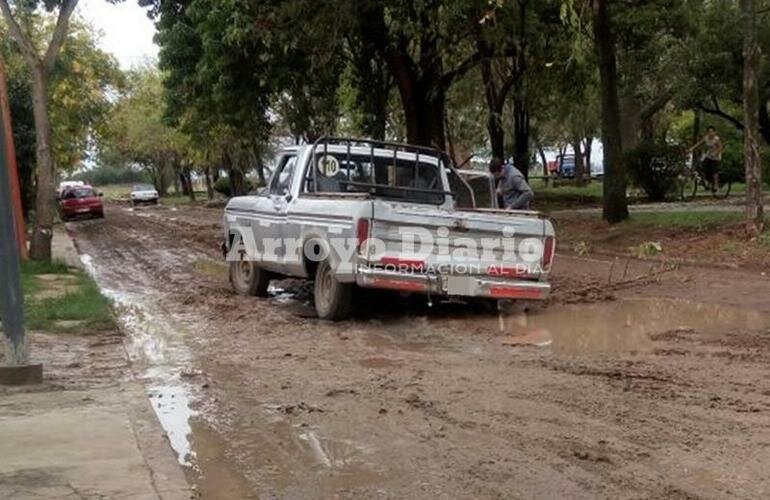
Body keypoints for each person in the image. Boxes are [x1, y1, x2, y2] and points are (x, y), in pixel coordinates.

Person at [689, 126, 724, 192]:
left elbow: (720, 147)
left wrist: (716, 153)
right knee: (702, 167)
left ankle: (716, 185)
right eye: (709, 132)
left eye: (712, 132)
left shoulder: (716, 139)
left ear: (715, 132)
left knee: (714, 171)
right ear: (707, 133)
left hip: (716, 157)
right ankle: (705, 180)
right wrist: (692, 148)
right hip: (709, 155)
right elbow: (699, 143)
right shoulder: (706, 138)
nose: (711, 133)